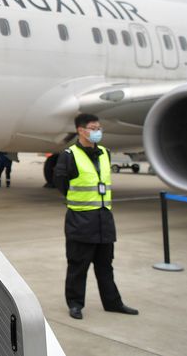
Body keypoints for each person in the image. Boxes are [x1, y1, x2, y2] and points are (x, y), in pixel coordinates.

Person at [54, 113, 139, 320]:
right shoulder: (69, 155)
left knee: (105, 266)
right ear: (80, 130)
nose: (97, 132)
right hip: (80, 221)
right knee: (77, 267)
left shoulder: (105, 153)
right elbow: (61, 183)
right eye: (93, 128)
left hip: (104, 220)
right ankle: (75, 304)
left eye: (99, 128)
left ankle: (113, 303)